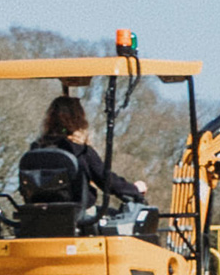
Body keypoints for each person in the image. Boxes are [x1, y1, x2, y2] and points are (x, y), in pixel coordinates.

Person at [18, 95, 152, 232]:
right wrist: (134, 190)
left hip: (39, 217)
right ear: (78, 119)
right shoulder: (80, 150)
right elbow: (107, 181)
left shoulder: (35, 150)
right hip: (79, 217)